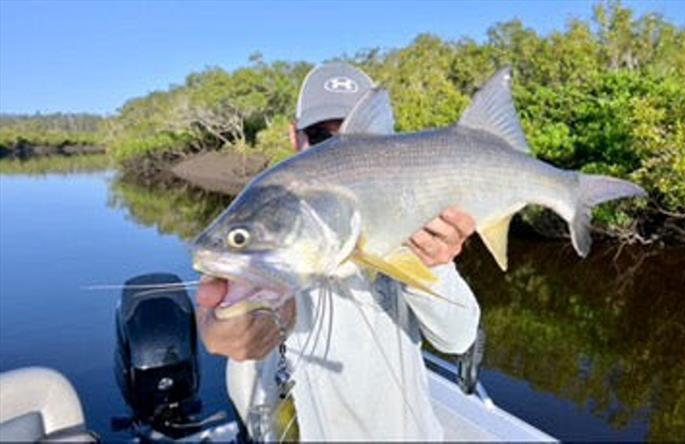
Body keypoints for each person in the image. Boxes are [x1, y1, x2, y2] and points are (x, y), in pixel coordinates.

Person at [195, 62, 480, 440]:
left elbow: (458, 339)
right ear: (295, 138)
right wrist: (234, 324)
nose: (343, 154)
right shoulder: (266, 223)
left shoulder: (410, 215)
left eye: (358, 140)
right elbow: (228, 322)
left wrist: (436, 264)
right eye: (322, 137)